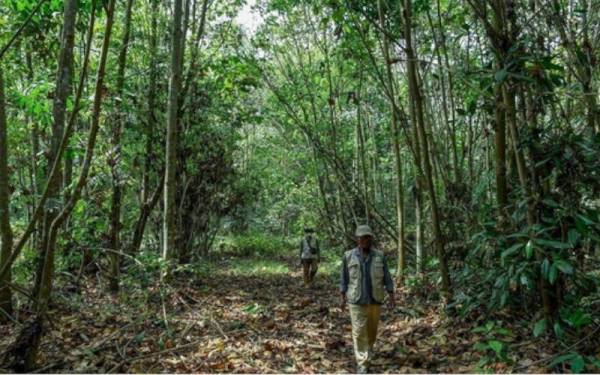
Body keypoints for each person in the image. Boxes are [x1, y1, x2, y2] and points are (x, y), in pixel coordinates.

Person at [339, 225, 395, 374]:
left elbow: (387, 277)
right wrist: (342, 296)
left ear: (371, 239)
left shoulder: (379, 256)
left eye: (368, 237)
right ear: (358, 239)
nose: (365, 240)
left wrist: (391, 295)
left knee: (372, 330)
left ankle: (368, 348)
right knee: (358, 331)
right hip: (356, 300)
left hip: (375, 299)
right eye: (362, 237)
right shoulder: (348, 256)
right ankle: (362, 362)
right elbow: (344, 278)